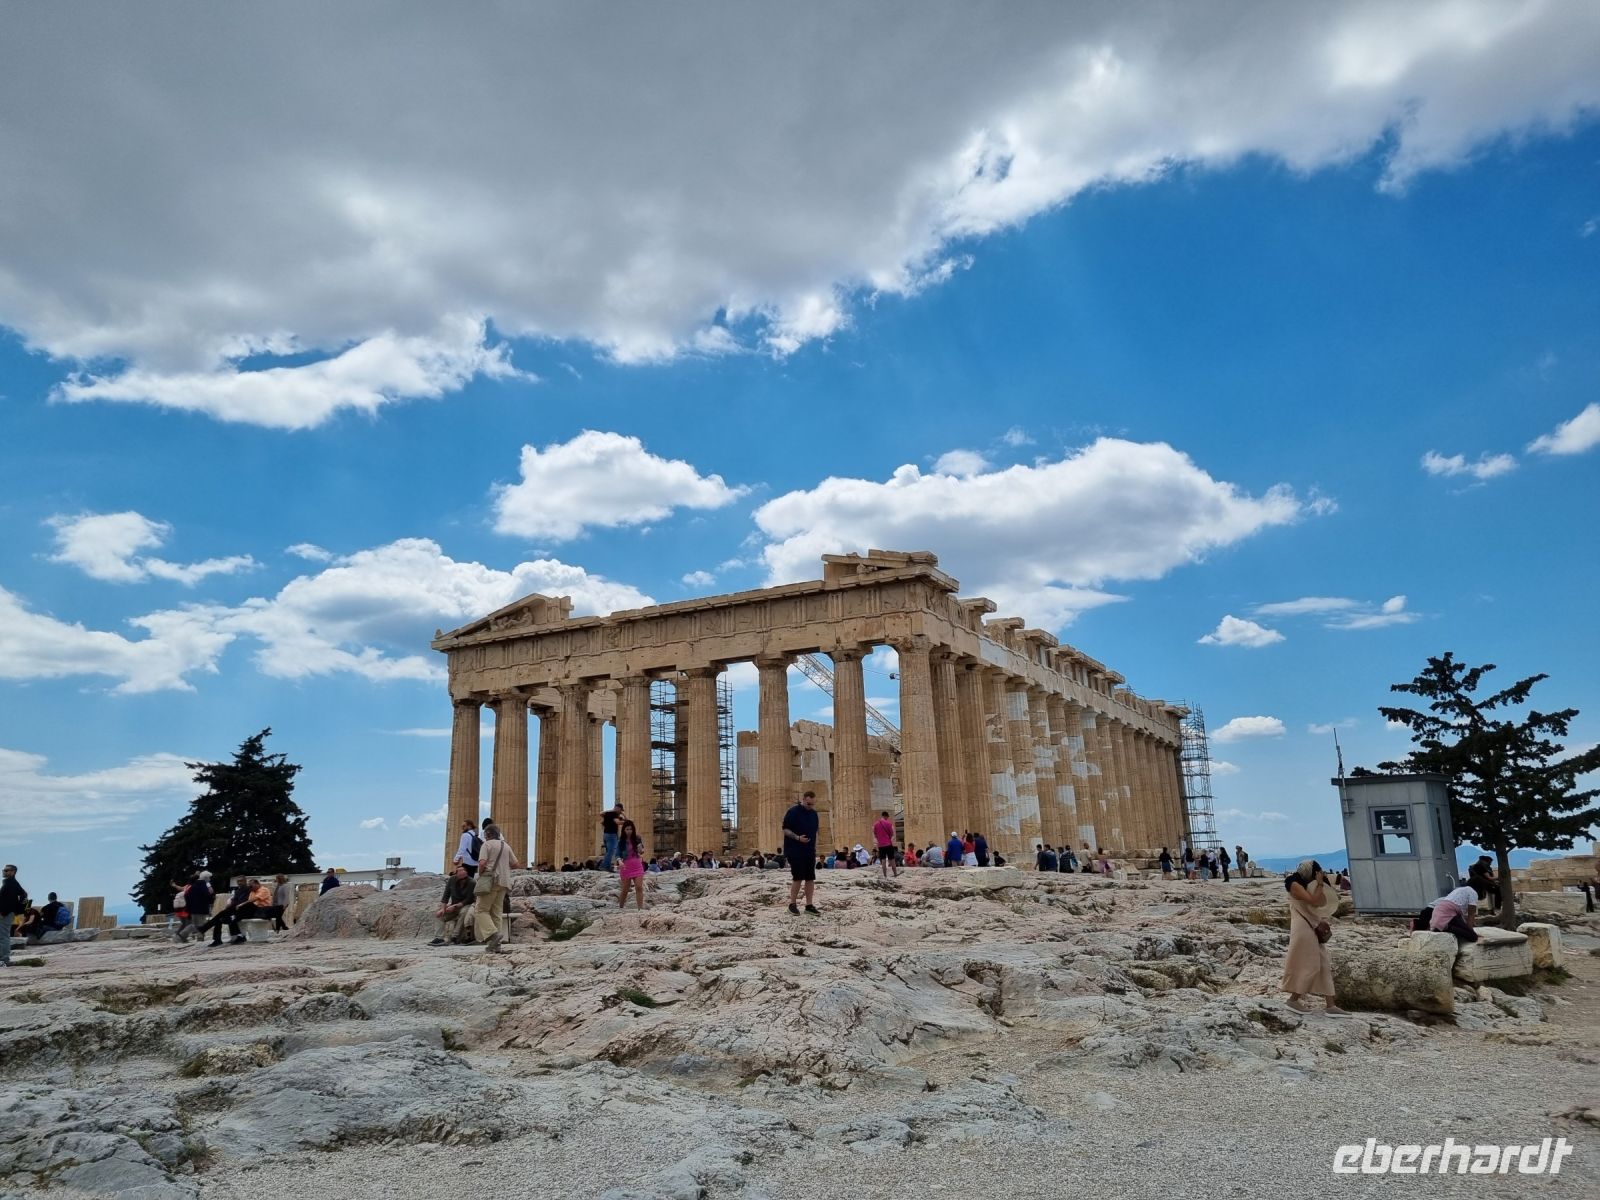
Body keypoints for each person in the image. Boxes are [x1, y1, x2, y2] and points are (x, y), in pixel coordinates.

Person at [1282, 860, 1347, 1015]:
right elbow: (1313, 900)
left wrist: (1321, 884)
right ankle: (1293, 1000)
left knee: (1324, 963)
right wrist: (1319, 884)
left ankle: (1331, 1005)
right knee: (1310, 965)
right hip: (1302, 927)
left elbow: (1320, 903)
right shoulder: (1294, 884)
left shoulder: (1309, 883)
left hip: (1313, 925)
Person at [474, 821, 519, 952]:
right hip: (504, 882)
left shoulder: (486, 845)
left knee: (480, 910)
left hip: (491, 880)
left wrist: (481, 873)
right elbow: (516, 864)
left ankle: (493, 934)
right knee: (496, 912)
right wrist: (503, 867)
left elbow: (482, 863)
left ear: (487, 834)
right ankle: (496, 946)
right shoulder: (506, 845)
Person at [782, 790, 821, 915]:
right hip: (795, 849)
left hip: (809, 850)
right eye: (809, 804)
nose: (810, 806)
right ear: (804, 799)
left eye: (812, 804)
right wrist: (798, 838)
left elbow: (815, 832)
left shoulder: (814, 814)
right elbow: (785, 829)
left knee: (810, 878)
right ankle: (792, 905)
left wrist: (815, 846)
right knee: (798, 877)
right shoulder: (793, 812)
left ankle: (809, 905)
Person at [429, 866, 477, 945]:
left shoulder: (472, 882)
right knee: (439, 915)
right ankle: (439, 937)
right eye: (460, 878)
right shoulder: (452, 880)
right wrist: (443, 909)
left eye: (464, 878)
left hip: (465, 905)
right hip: (454, 904)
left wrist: (455, 906)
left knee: (464, 912)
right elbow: (446, 895)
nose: (462, 881)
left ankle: (455, 936)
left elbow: (468, 899)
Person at [200, 878, 251, 947]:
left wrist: (233, 904)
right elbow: (234, 900)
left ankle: (204, 929)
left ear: (245, 881)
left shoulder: (248, 890)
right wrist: (230, 903)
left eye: (241, 881)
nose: (239, 883)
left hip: (243, 911)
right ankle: (217, 940)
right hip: (234, 910)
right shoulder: (237, 891)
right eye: (238, 881)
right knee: (218, 919)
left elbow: (244, 901)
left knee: (221, 917)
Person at [172, 871, 213, 943]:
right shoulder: (203, 885)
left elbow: (186, 896)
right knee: (199, 924)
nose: (209, 879)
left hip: (192, 909)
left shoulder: (191, 886)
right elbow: (208, 895)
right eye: (209, 878)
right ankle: (182, 936)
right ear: (206, 878)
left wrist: (189, 908)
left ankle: (196, 938)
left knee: (194, 924)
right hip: (201, 908)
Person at [617, 819, 647, 909]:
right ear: (624, 830)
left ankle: (640, 909)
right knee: (625, 889)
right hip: (626, 866)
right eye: (627, 829)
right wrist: (619, 861)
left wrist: (640, 849)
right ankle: (620, 907)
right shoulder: (621, 841)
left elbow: (641, 852)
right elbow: (617, 853)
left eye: (630, 829)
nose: (629, 831)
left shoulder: (637, 839)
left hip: (637, 865)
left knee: (639, 887)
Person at [1, 865, 27, 967]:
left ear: (13, 872)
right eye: (3, 870)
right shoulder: (10, 883)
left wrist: (6, 912)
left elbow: (10, 900)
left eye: (6, 870)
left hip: (4, 914)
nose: (3, 872)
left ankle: (4, 959)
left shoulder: (11, 883)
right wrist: (17, 909)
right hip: (7, 913)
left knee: (3, 936)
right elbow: (24, 894)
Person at [872, 811, 899, 878]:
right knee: (892, 859)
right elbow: (892, 834)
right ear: (886, 816)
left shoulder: (875, 824)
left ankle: (885, 875)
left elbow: (875, 834)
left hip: (881, 845)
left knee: (883, 860)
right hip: (888, 844)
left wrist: (878, 841)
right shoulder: (888, 823)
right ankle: (895, 873)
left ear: (882, 816)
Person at [600, 804, 625, 872]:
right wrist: (627, 822)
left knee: (608, 851)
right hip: (611, 834)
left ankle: (607, 866)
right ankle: (604, 866)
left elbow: (601, 815)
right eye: (621, 811)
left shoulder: (608, 814)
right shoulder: (614, 814)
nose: (620, 813)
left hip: (605, 834)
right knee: (611, 851)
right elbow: (618, 822)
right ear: (618, 808)